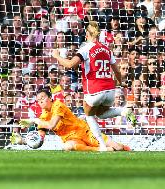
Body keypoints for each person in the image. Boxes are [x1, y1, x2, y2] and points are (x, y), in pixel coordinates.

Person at [52, 21, 136, 151]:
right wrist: (120, 82)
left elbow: (69, 65)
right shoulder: (107, 49)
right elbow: (117, 71)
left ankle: (102, 146)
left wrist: (56, 56)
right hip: (110, 89)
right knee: (101, 114)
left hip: (94, 89)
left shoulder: (86, 48)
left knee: (89, 115)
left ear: (87, 33)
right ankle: (124, 111)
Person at [19, 87, 130, 152]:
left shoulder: (58, 105)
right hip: (70, 139)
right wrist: (24, 141)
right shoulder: (44, 115)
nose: (40, 101)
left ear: (50, 98)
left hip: (84, 132)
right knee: (67, 147)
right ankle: (98, 150)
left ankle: (126, 148)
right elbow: (41, 135)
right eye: (38, 100)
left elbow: (52, 125)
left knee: (117, 147)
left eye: (43, 98)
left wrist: (34, 120)